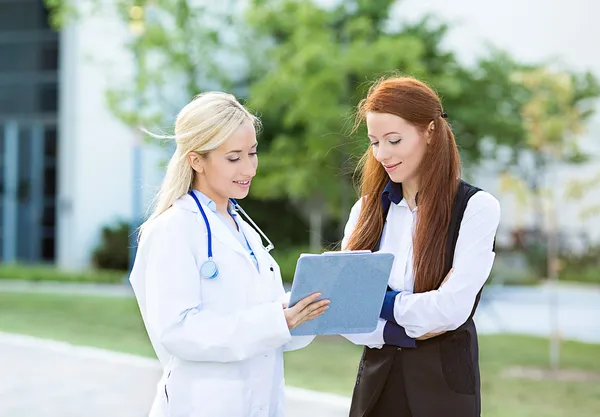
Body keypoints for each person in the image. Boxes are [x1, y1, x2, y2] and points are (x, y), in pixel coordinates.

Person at [128, 91, 330, 417]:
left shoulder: (246, 231)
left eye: (253, 153)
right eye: (234, 158)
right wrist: (275, 320)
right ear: (196, 160)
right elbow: (178, 332)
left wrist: (303, 314)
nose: (249, 168)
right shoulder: (173, 229)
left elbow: (268, 326)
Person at [340, 76, 501, 417]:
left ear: (429, 132)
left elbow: (450, 310)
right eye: (374, 142)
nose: (382, 154)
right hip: (376, 388)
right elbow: (346, 314)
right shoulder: (365, 211)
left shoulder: (476, 208)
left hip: (443, 393)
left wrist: (380, 304)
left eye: (394, 140)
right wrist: (410, 322)